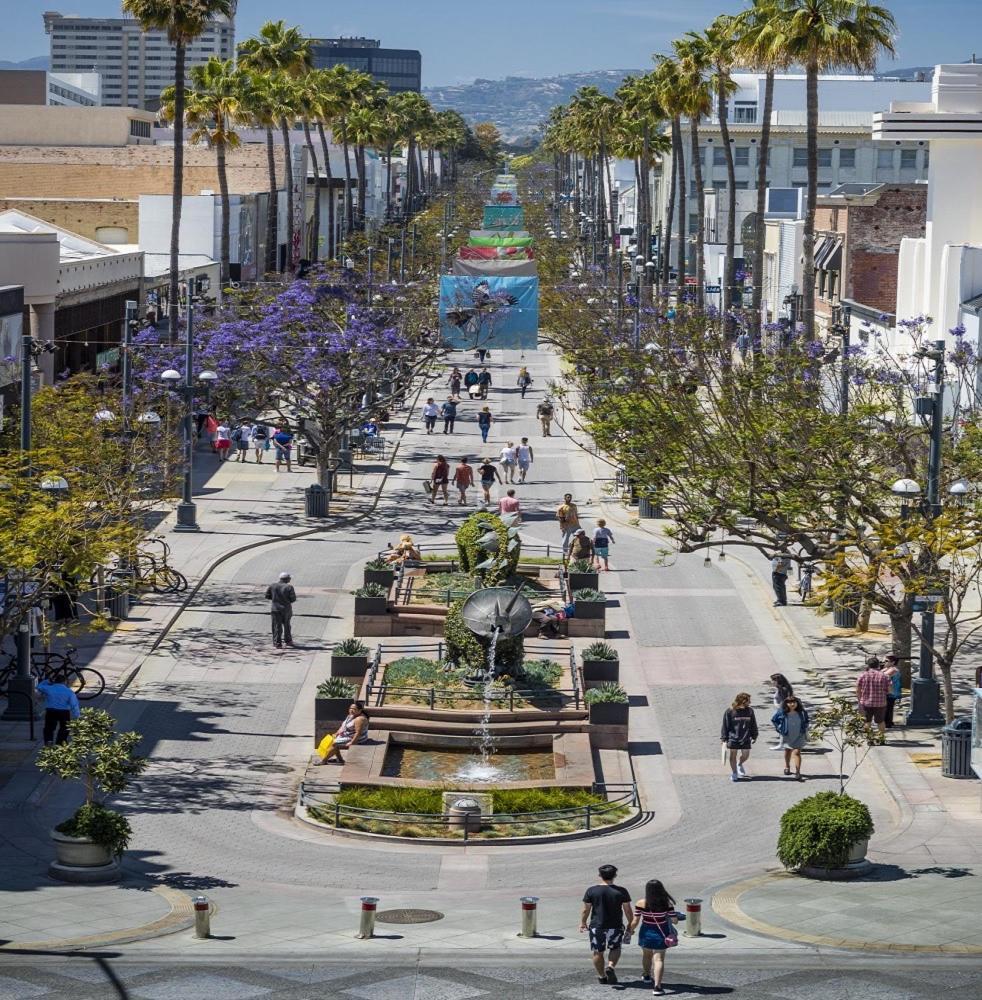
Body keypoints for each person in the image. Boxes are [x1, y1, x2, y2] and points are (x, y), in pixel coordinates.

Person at [580, 864, 633, 985]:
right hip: (615, 926)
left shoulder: (591, 890)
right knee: (615, 948)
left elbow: (586, 909)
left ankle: (602, 976)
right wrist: (630, 924)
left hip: (596, 926)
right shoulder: (621, 891)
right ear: (615, 875)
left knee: (598, 952)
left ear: (600, 875)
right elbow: (628, 911)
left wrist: (583, 922)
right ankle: (610, 966)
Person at [628, 879, 678, 994]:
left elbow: (635, 920)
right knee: (659, 959)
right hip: (662, 933)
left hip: (646, 932)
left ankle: (646, 975)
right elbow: (674, 921)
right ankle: (657, 987)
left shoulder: (641, 903)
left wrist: (630, 930)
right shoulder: (667, 904)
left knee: (646, 955)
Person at [721, 692, 758, 782]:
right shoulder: (730, 711)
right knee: (733, 755)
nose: (750, 702)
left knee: (746, 755)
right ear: (743, 701)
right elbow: (725, 725)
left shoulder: (750, 711)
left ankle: (740, 763)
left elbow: (753, 724)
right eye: (748, 701)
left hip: (746, 738)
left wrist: (754, 735)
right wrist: (724, 738)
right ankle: (734, 773)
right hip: (733, 738)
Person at [772, 695, 809, 781]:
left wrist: (804, 727)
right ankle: (787, 766)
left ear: (797, 703)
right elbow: (774, 720)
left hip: (799, 735)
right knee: (787, 751)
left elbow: (807, 721)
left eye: (794, 702)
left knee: (797, 752)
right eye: (789, 702)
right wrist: (779, 728)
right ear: (786, 704)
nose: (792, 704)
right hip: (787, 735)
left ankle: (797, 772)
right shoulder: (781, 712)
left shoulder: (802, 712)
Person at [37, 677, 80, 746]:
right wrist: (77, 715)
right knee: (64, 727)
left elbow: (39, 686)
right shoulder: (69, 691)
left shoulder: (49, 688)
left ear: (55, 682)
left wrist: (47, 681)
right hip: (64, 711)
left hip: (51, 710)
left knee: (49, 727)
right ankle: (61, 742)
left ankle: (49, 741)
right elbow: (74, 704)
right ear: (65, 682)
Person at [857, 655, 889, 735]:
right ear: (878, 665)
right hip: (880, 703)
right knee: (880, 721)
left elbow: (858, 690)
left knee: (867, 721)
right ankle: (881, 738)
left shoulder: (862, 675)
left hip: (866, 702)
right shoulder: (884, 676)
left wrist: (860, 700)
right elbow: (890, 689)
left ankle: (869, 738)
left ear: (868, 665)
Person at [265, 571, 296, 649]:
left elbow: (267, 596)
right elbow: (293, 599)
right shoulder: (289, 587)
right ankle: (288, 641)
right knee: (287, 625)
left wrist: (275, 599)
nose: (290, 579)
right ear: (287, 579)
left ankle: (277, 643)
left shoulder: (272, 586)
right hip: (286, 609)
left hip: (275, 609)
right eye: (289, 578)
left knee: (276, 626)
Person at [767, 673, 795, 749]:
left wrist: (780, 706)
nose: (771, 682)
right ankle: (784, 742)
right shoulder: (781, 688)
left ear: (777, 680)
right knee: (780, 725)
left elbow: (786, 700)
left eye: (773, 680)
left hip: (784, 710)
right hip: (782, 710)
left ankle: (782, 744)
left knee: (780, 724)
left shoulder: (784, 689)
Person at [882, 654, 903, 728]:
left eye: (886, 661)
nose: (884, 662)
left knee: (888, 707)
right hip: (889, 691)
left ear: (893, 662)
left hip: (892, 691)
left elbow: (882, 676)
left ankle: (888, 722)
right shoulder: (888, 668)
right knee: (888, 706)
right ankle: (888, 721)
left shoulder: (893, 669)